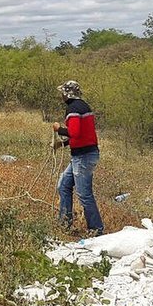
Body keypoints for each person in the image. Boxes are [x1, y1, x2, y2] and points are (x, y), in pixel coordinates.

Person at [52, 80, 104, 236]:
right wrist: (62, 145)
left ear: (67, 94)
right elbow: (83, 135)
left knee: (84, 194)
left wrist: (58, 129)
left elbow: (74, 132)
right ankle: (64, 223)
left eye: (62, 92)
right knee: (63, 185)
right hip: (81, 155)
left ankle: (96, 229)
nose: (61, 95)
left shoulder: (73, 109)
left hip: (83, 157)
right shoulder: (83, 106)